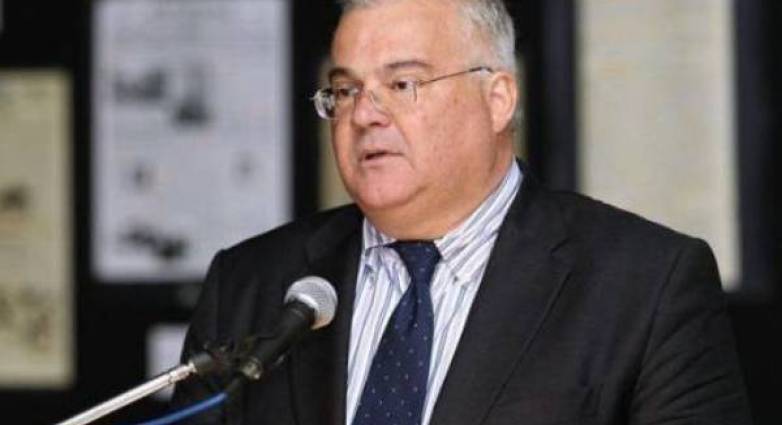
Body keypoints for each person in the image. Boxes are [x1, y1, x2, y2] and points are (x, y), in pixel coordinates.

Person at [173, 0, 752, 424]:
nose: (364, 114)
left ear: (498, 99)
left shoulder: (646, 286)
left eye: (403, 84)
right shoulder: (249, 284)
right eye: (345, 91)